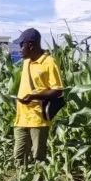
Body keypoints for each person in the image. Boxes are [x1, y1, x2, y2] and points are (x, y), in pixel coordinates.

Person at [12, 28, 63, 164]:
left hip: (38, 118)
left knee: (38, 158)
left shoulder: (49, 62)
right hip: (21, 116)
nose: (20, 49)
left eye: (21, 45)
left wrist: (33, 97)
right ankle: (21, 177)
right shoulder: (26, 62)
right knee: (19, 157)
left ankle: (38, 177)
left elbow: (58, 90)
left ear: (30, 45)